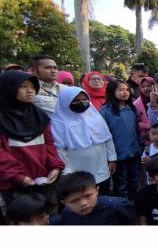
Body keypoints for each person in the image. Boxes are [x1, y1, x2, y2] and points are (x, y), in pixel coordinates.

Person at [0, 71, 64, 211]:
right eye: (23, 86)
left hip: (43, 181)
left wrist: (55, 166)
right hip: (13, 185)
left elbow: (48, 143)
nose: (30, 91)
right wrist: (18, 177)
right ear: (9, 88)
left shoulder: (38, 115)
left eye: (33, 86)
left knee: (47, 216)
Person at [51, 86, 117, 195]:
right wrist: (68, 174)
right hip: (77, 175)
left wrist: (112, 159)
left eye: (85, 99)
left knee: (102, 198)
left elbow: (107, 139)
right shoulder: (59, 123)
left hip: (101, 170)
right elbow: (60, 150)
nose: (82, 103)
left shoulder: (96, 117)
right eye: (76, 101)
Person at [100, 80, 141, 200]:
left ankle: (132, 205)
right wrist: (110, 157)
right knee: (121, 184)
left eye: (127, 90)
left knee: (134, 181)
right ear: (112, 91)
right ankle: (122, 207)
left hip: (134, 152)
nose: (125, 92)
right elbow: (103, 135)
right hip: (118, 155)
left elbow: (135, 130)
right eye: (121, 90)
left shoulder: (131, 108)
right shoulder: (105, 110)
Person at [50, 171, 136, 225]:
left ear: (97, 190)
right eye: (74, 201)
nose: (83, 203)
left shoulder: (118, 206)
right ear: (64, 203)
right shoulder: (66, 215)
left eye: (88, 196)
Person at [133, 77, 155, 146]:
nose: (146, 88)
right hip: (145, 139)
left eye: (148, 86)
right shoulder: (136, 103)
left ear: (154, 86)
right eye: (143, 87)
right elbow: (134, 122)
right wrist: (146, 125)